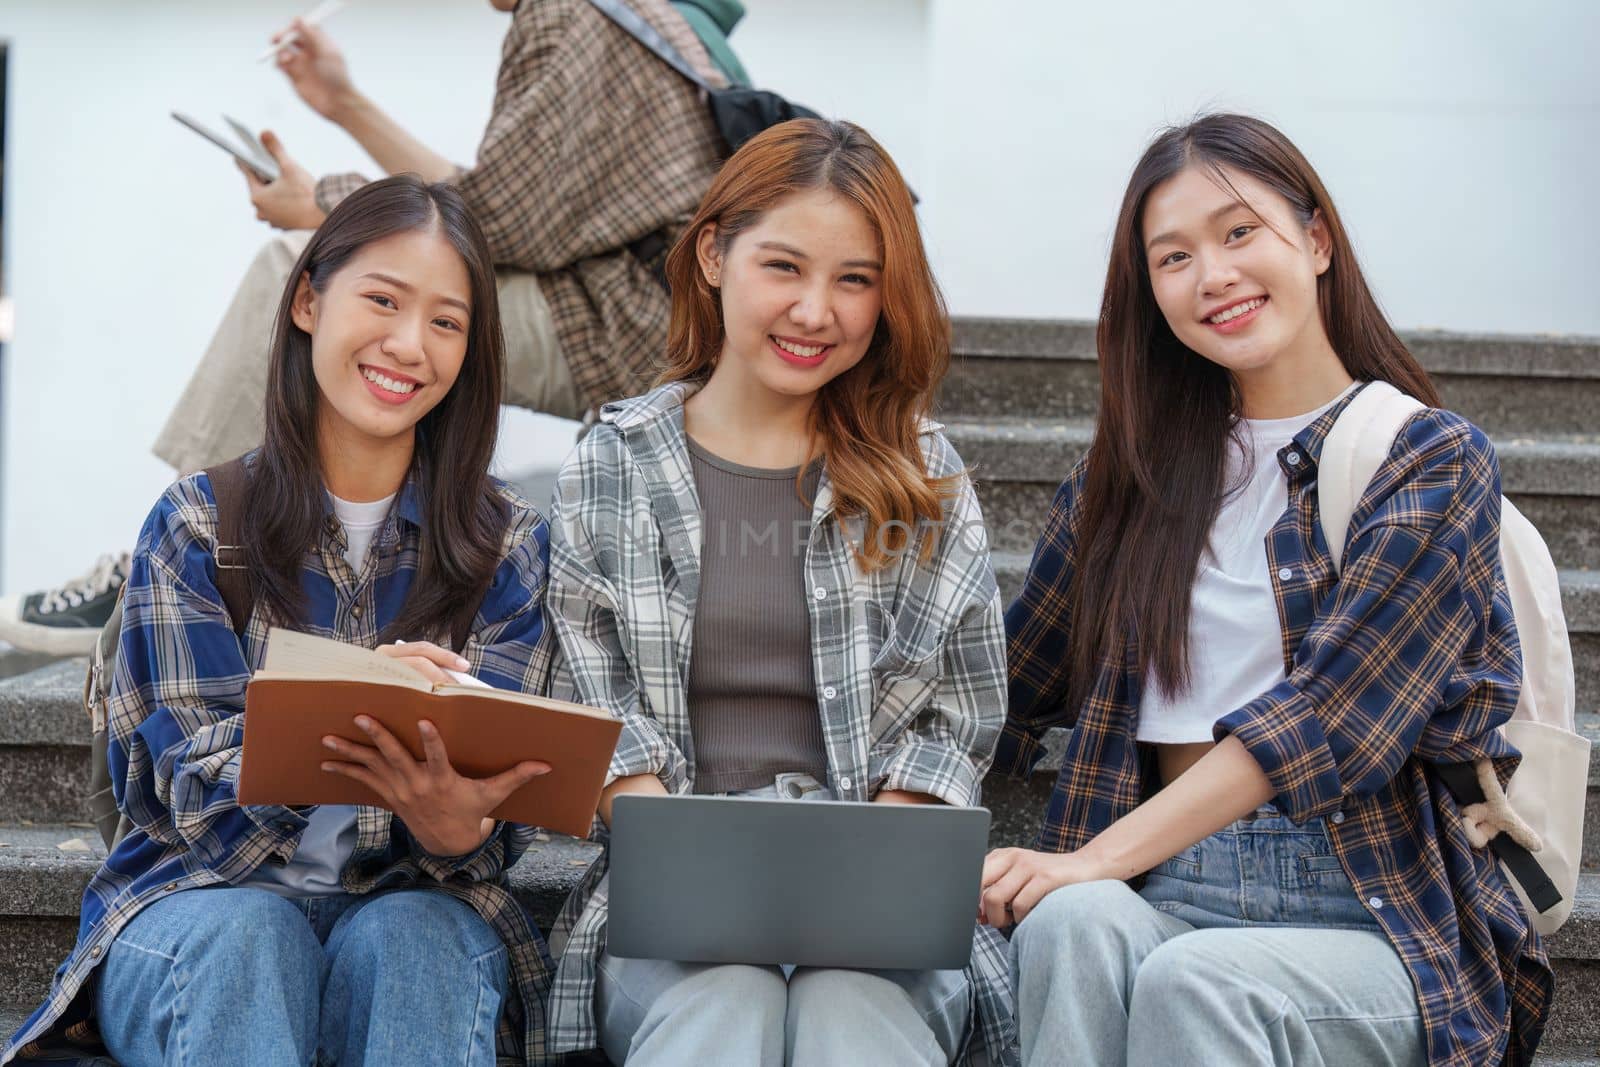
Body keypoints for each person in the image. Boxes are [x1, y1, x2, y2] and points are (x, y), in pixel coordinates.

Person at [982, 113, 1552, 1066]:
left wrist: (1092, 858)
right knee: (1067, 927)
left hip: (1374, 914)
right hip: (1161, 888)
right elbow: (1003, 685)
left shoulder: (1429, 459)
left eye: (1239, 232)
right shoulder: (1126, 482)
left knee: (1190, 976)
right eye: (1173, 257)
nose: (1212, 275)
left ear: (1316, 240)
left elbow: (1332, 714)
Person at [3, 176, 561, 1066]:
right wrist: (357, 707)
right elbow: (189, 800)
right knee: (254, 935)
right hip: (198, 908)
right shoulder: (196, 525)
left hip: (410, 912)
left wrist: (462, 825)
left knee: (419, 937)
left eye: (447, 322)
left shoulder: (512, 548)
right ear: (308, 300)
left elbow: (500, 833)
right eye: (382, 299)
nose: (409, 344)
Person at [0, 0, 729, 655]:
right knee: (348, 265)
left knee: (298, 258)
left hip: (623, 321)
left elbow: (489, 226)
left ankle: (195, 553)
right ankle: (192, 547)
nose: (408, 343)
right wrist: (343, 103)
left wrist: (322, 202)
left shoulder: (575, 14)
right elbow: (484, 205)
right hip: (618, 301)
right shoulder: (634, 16)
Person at [541, 118, 1017, 1065]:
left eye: (855, 279)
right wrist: (693, 866)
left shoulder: (922, 474)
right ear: (714, 254)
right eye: (785, 267)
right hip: (669, 903)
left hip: (876, 899)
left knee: (850, 1005)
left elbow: (954, 717)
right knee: (727, 995)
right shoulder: (615, 462)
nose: (815, 311)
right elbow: (593, 706)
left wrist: (857, 883)